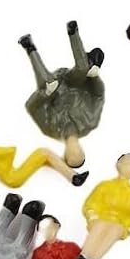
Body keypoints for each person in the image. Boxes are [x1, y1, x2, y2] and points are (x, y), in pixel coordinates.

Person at [19, 22, 105, 169]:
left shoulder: (49, 130)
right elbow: (98, 95)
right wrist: (94, 77)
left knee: (47, 81)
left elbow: (31, 107)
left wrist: (45, 94)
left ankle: (29, 47)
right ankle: (73, 31)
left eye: (71, 155)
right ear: (83, 150)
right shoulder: (90, 121)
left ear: (65, 154)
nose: (75, 151)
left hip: (53, 89)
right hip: (73, 83)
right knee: (83, 68)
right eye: (79, 154)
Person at [75, 154, 130, 259]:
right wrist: (92, 215)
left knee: (115, 229)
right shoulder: (105, 185)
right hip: (100, 218)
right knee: (101, 225)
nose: (128, 167)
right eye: (125, 163)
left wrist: (129, 228)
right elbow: (91, 203)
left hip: (119, 224)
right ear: (118, 164)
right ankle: (84, 255)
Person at [0, 122, 88, 189]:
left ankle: (70, 173)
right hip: (13, 178)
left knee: (45, 157)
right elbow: (11, 151)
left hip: (11, 177)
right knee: (43, 152)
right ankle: (73, 177)